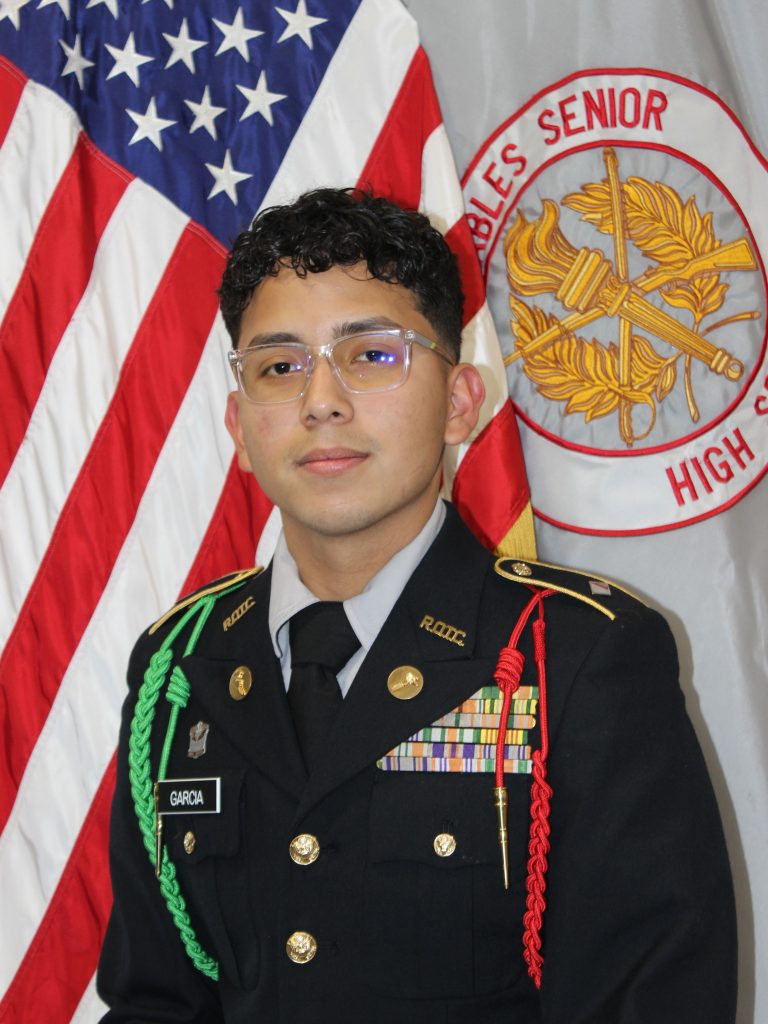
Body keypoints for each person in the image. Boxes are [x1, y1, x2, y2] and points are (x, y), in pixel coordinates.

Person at [97, 188, 737, 1023]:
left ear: (460, 402)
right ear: (238, 423)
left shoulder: (574, 659)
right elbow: (155, 1003)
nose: (321, 400)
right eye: (279, 367)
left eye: (371, 354)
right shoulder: (179, 670)